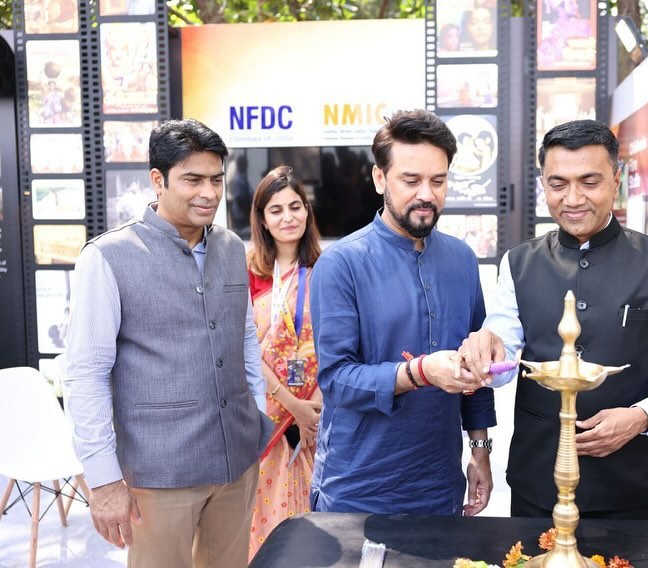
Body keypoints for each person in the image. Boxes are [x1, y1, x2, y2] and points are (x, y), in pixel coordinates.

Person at [461, 119, 648, 520]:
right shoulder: (518, 262)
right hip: (537, 477)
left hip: (628, 483)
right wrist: (484, 358)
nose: (573, 198)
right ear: (543, 184)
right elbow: (504, 361)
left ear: (616, 180)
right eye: (558, 184)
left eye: (589, 181)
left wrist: (642, 417)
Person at [63, 119, 273, 567]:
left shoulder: (231, 247)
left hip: (237, 459)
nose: (209, 193)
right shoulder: (108, 256)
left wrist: (257, 414)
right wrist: (103, 480)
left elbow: (244, 337)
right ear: (158, 180)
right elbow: (85, 374)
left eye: (216, 179)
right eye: (193, 180)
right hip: (158, 473)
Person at [310, 109, 496, 516]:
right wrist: (420, 372)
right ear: (380, 179)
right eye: (411, 181)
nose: (426, 194)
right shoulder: (341, 264)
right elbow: (336, 379)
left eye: (438, 181)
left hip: (440, 484)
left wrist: (480, 450)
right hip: (358, 488)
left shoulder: (462, 260)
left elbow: (477, 370)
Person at [246, 166, 323, 559]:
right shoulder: (247, 272)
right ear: (262, 219)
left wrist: (313, 409)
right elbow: (241, 346)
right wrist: (291, 404)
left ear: (307, 211)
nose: (288, 217)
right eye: (276, 210)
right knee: (263, 529)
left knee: (314, 532)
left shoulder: (328, 269)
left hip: (317, 421)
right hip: (264, 421)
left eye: (295, 206)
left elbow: (340, 343)